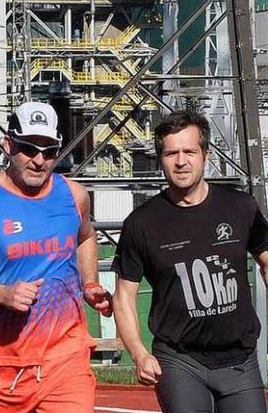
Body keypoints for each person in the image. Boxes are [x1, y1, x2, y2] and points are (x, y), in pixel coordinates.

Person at [0, 101, 111, 413]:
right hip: (4, 364)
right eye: (29, 149)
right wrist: (0, 293)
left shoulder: (74, 195)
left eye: (49, 151)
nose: (39, 160)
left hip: (66, 358)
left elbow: (86, 235)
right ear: (9, 145)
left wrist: (90, 283)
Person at [112, 110, 268, 413]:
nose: (181, 161)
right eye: (171, 153)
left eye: (189, 151)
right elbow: (124, 297)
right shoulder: (142, 224)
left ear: (205, 155)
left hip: (239, 359)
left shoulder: (240, 207)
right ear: (161, 159)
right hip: (179, 360)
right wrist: (139, 353)